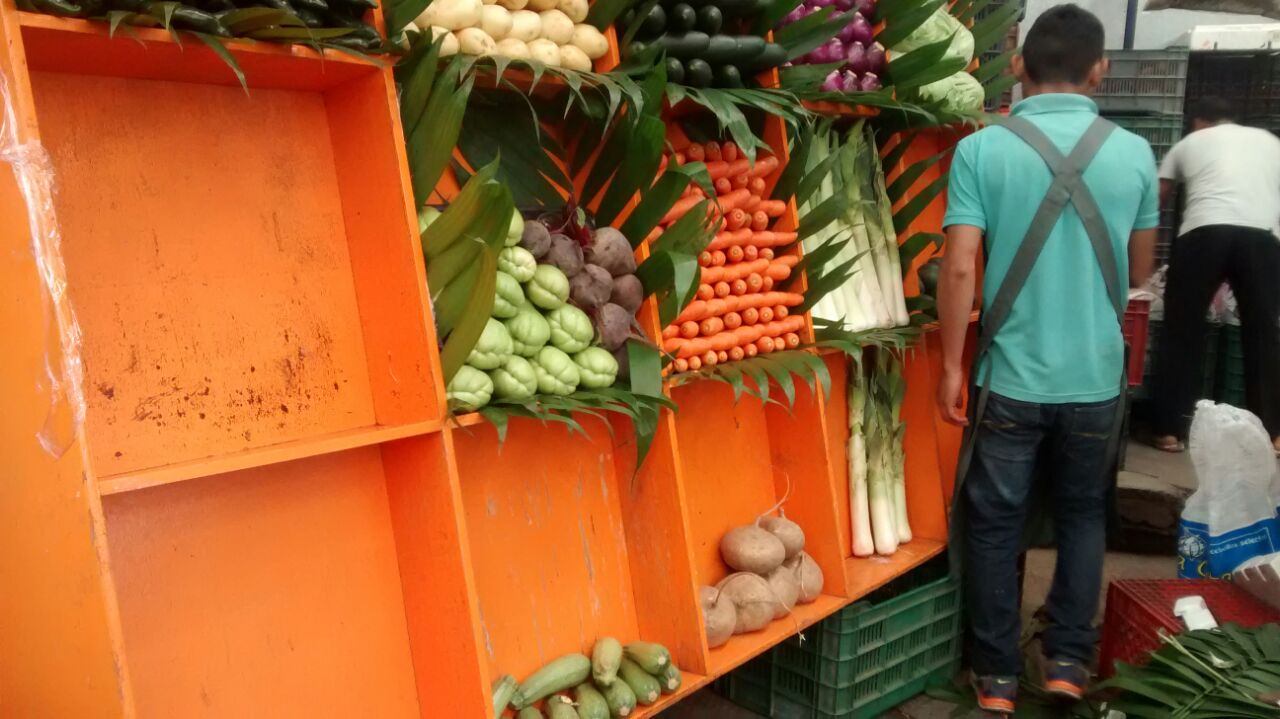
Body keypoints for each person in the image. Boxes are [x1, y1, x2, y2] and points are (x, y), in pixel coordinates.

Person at [934, 4, 1158, 714]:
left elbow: (960, 267)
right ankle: (1066, 661)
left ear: (1021, 68)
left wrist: (948, 364)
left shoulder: (981, 149)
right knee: (1084, 514)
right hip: (1095, 378)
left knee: (995, 522)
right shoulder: (1134, 153)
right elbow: (1139, 274)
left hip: (1008, 378)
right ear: (1101, 70)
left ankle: (997, 677)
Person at [1152, 97, 1280, 454]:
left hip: (1203, 233)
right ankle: (1272, 433)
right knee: (1263, 333)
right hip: (1262, 237)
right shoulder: (1271, 143)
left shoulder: (1189, 143)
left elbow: (1157, 201)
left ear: (1199, 122)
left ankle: (1168, 430)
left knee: (1182, 331)